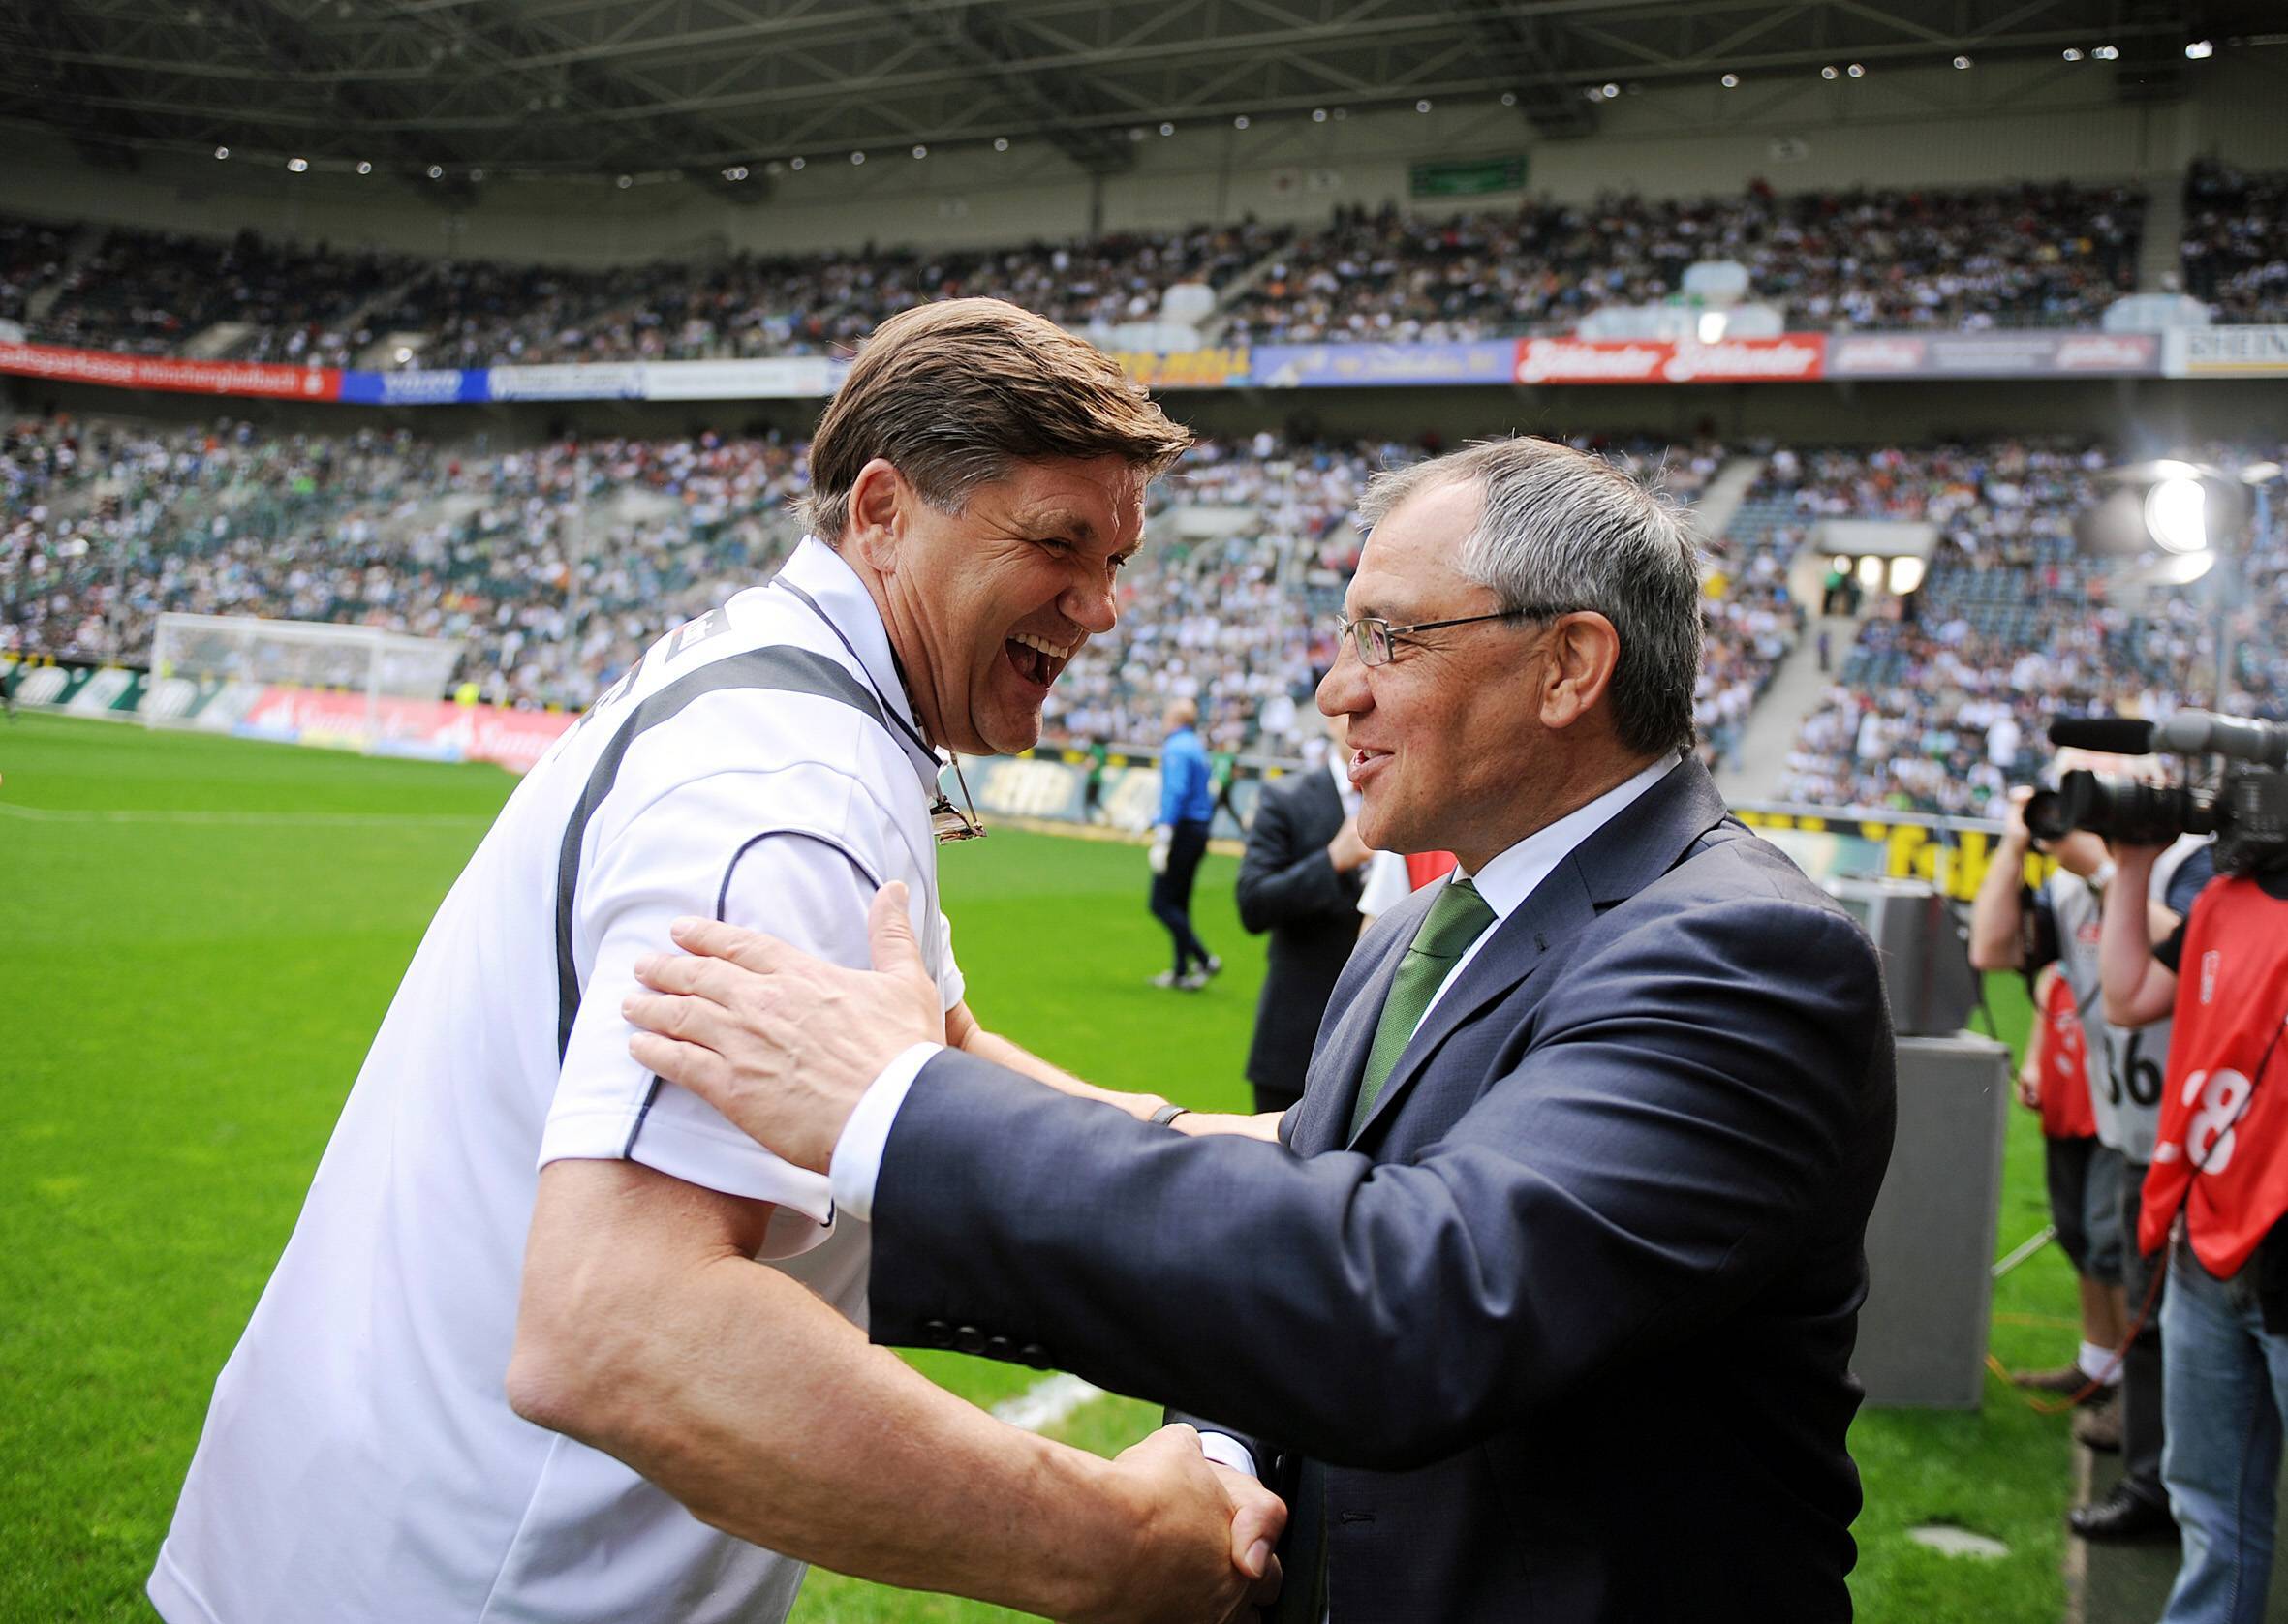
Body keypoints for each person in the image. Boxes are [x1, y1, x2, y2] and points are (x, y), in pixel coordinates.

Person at [625, 435, 1899, 1622]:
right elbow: (1298, 1195)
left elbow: (1422, 1300)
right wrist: (1226, 1442)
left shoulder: (1741, 956)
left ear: (1567, 666)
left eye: (1389, 639)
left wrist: (896, 1107)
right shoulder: (1424, 931)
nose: (1336, 692)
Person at [149, 299, 1283, 1624]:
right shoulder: (787, 789)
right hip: (474, 1580)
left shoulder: (799, 705)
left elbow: (935, 1071)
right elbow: (620, 1328)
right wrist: (1113, 1544)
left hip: (378, 1535)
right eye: (1057, 543)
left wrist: (1230, 1161)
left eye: (1118, 556)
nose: (1100, 607)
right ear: (882, 512)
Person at [1970, 770, 2212, 1536]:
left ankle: (2163, 1478)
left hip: (2185, 1123)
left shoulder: (2189, 865)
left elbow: (2196, 954)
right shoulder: (2070, 889)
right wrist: (2016, 847)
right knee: (2100, 1251)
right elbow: (1990, 945)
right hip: (2118, 1113)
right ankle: (2148, 1456)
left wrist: (2114, 869)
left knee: (2166, 1302)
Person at [2103, 833, 2288, 1624]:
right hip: (2208, 1242)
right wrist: (2132, 866)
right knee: (2209, 1509)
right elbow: (2128, 994)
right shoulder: (2224, 899)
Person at [1235, 712, 1370, 1114]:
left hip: (1382, 1041)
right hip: (1297, 1038)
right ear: (1330, 720)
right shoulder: (1286, 798)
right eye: (1356, 712)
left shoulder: (1421, 799)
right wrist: (1331, 861)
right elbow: (1253, 904)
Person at [1148, 696, 1221, 989]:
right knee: (1180, 902)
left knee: (1161, 903)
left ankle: (1203, 958)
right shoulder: (1196, 746)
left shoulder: (1177, 747)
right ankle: (1180, 969)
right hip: (1198, 829)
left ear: (1175, 719)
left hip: (1182, 831)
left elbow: (1175, 791)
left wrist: (1164, 830)